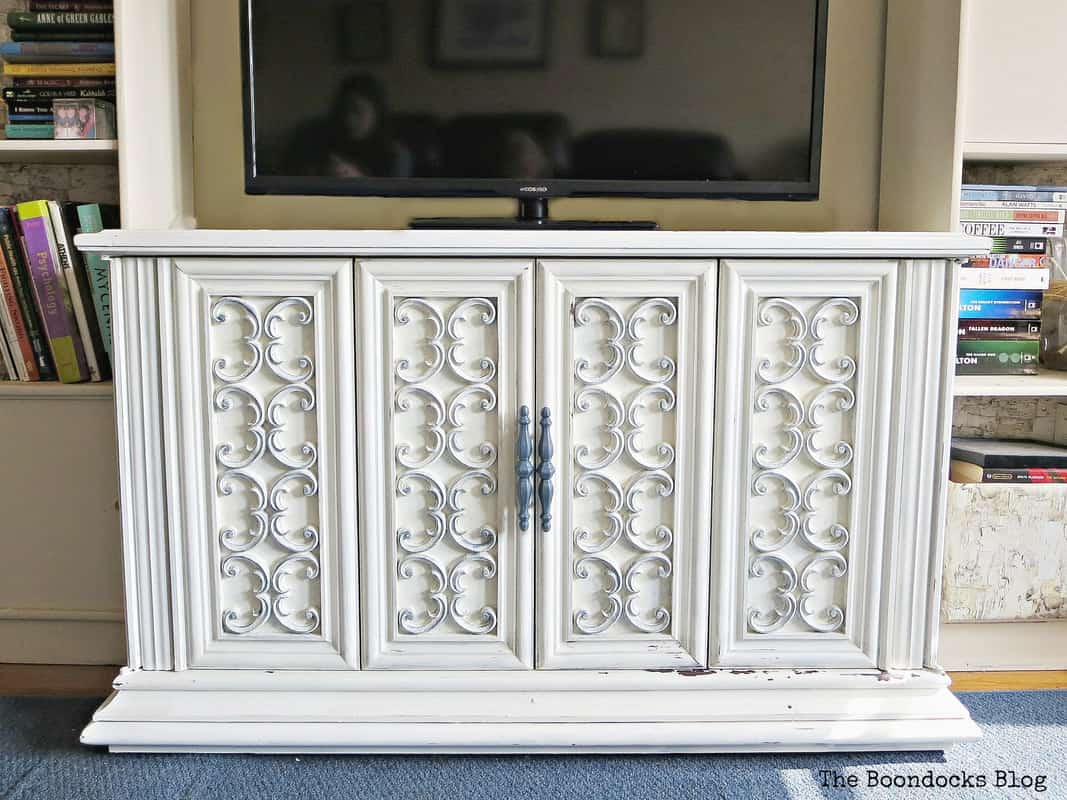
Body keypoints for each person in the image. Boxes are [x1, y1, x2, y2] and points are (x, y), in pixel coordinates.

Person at [283, 74, 411, 178]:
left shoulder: (396, 155)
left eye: (358, 111)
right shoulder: (320, 140)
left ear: (377, 113)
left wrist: (359, 181)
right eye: (344, 111)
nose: (349, 119)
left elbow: (393, 203)